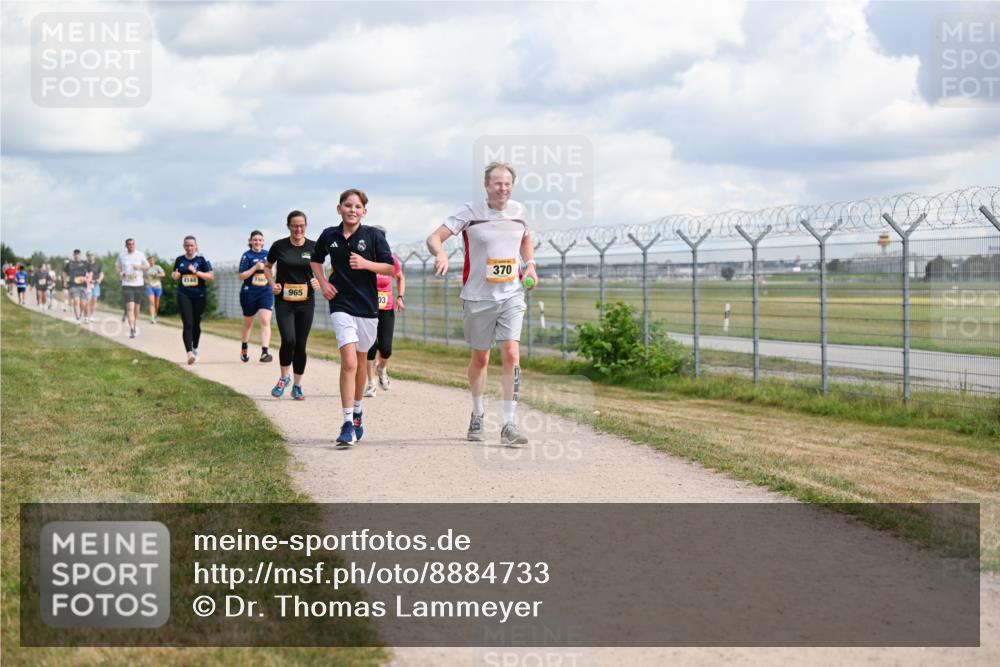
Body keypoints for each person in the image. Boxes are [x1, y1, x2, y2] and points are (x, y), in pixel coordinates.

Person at [426, 162, 538, 445]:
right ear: (487, 186)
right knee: (481, 358)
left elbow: (526, 239)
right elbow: (434, 237)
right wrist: (440, 254)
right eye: (498, 183)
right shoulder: (470, 212)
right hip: (478, 297)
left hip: (512, 293)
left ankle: (509, 423)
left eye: (508, 184)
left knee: (511, 353)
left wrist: (530, 265)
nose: (503, 189)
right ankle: (477, 414)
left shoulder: (519, 211)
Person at [311, 189, 395, 446]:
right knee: (348, 362)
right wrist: (323, 283)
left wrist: (366, 264)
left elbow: (390, 268)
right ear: (339, 209)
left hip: (368, 307)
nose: (352, 210)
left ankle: (357, 412)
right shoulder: (329, 235)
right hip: (341, 303)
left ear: (364, 212)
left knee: (359, 362)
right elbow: (315, 260)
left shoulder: (373, 236)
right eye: (348, 205)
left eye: (357, 207)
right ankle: (347, 423)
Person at [265, 211, 319, 399]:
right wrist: (272, 284)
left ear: (306, 226)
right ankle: (284, 378)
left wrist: (319, 281)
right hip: (284, 301)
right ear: (288, 226)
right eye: (295, 226)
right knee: (288, 340)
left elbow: (321, 269)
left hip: (306, 302)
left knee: (301, 344)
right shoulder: (279, 246)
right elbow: (267, 267)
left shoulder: (314, 247)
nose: (298, 229)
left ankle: (297, 385)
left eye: (301, 225)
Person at [363, 225, 405, 397]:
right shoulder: (364, 259)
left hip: (386, 308)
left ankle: (381, 368)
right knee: (370, 347)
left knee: (386, 349)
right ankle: (370, 383)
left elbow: (400, 278)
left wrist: (400, 297)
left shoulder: (390, 259)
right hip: (367, 308)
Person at [171, 236, 214, 364]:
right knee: (188, 323)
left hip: (199, 295)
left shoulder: (202, 259)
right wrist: (175, 275)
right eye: (187, 245)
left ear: (196, 246)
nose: (189, 248)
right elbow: (175, 274)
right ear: (183, 246)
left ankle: (195, 348)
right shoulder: (180, 259)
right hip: (184, 294)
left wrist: (196, 272)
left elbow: (211, 277)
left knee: (196, 323)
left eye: (191, 245)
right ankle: (189, 353)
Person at [237, 230, 274, 363]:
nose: (258, 242)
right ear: (251, 241)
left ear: (263, 242)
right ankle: (244, 348)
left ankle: (265, 352)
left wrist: (269, 270)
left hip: (266, 291)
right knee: (248, 322)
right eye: (255, 240)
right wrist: (255, 268)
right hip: (249, 292)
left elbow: (273, 273)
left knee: (265, 320)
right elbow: (241, 276)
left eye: (260, 240)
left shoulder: (268, 254)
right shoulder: (247, 256)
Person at [116, 238, 149, 338]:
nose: (131, 246)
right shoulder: (122, 255)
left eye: (132, 244)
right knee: (130, 307)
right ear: (126, 245)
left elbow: (147, 266)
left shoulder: (140, 254)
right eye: (129, 244)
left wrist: (140, 267)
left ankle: (134, 324)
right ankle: (131, 329)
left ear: (135, 245)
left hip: (138, 284)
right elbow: (117, 266)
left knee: (136, 308)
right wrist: (120, 273)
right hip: (127, 284)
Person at [63, 250, 89, 321]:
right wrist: (65, 281)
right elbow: (64, 272)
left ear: (80, 255)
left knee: (83, 304)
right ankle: (77, 319)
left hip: (83, 285)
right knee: (76, 301)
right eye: (75, 254)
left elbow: (89, 273)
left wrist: (87, 278)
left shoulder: (85, 263)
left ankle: (80, 314)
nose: (77, 256)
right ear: (73, 255)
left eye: (78, 254)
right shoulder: (70, 263)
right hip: (73, 285)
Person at [145, 254, 165, 324]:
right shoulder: (146, 268)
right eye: (150, 260)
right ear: (148, 261)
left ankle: (155, 314)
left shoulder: (157, 267)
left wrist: (157, 275)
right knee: (152, 302)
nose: (151, 261)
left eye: (152, 260)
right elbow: (143, 276)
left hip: (158, 287)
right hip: (149, 287)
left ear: (154, 261)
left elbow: (163, 274)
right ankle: (152, 318)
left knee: (156, 303)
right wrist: (145, 280)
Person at [84, 251, 104, 323]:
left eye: (91, 255)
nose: (90, 257)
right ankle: (86, 316)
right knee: (87, 301)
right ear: (87, 257)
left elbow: (101, 273)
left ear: (94, 256)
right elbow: (85, 274)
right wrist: (88, 279)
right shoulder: (85, 265)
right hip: (87, 285)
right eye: (89, 255)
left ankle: (91, 315)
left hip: (96, 284)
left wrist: (100, 279)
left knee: (94, 300)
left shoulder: (98, 265)